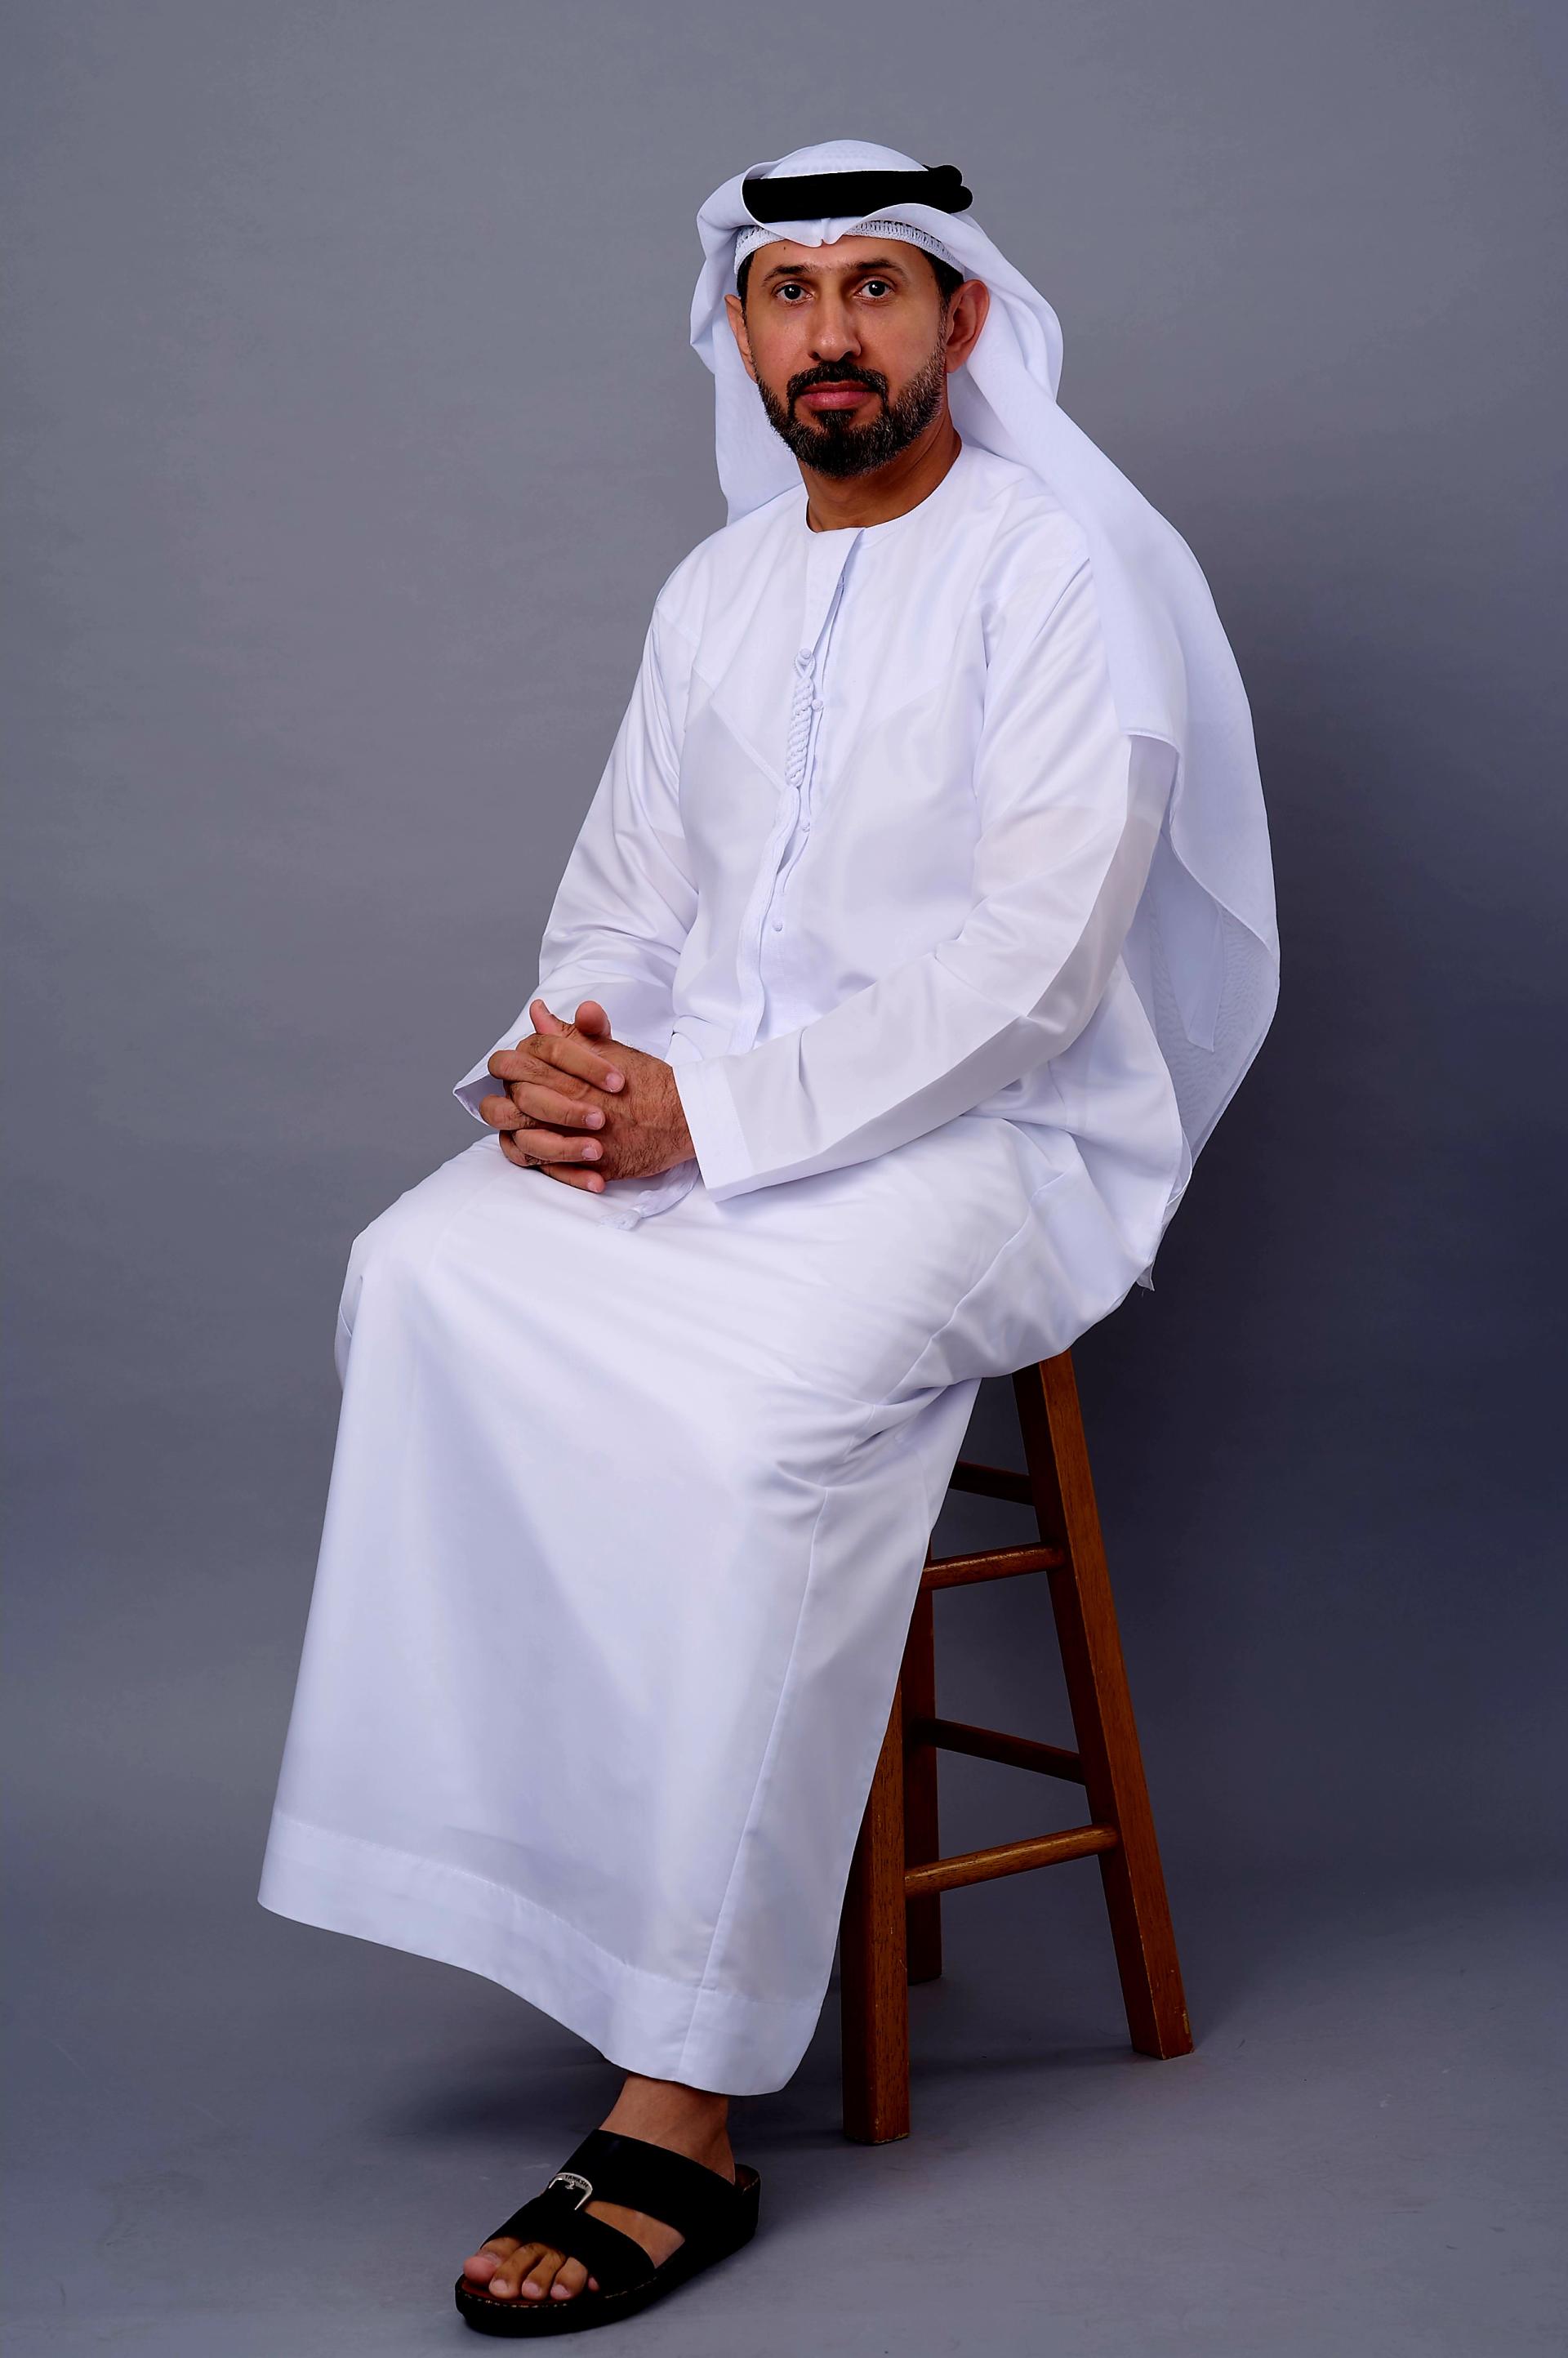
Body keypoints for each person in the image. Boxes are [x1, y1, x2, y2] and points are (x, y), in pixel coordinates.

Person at [256, 139, 1279, 2334]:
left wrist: (702, 1117)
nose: (828, 331)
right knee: (422, 1270)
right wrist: (561, 1068)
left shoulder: (1060, 570)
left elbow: (1034, 975)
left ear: (961, 321)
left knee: (748, 1421)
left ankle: (682, 2095)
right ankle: (558, 1904)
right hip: (706, 1117)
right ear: (735, 332)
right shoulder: (716, 590)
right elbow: (623, 907)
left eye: (874, 287)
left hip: (993, 1148)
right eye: (786, 290)